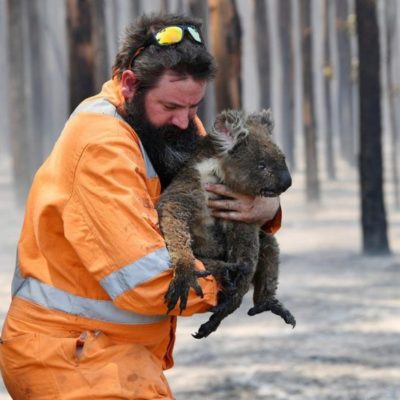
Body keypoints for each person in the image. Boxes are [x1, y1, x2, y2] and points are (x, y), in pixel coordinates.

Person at [0, 14, 281, 399]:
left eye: (194, 107)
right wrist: (231, 282)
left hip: (115, 352)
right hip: (71, 357)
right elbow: (147, 281)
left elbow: (231, 188)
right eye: (171, 106)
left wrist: (267, 209)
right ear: (131, 85)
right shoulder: (101, 146)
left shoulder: (171, 127)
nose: (186, 122)